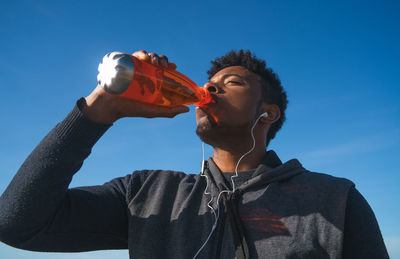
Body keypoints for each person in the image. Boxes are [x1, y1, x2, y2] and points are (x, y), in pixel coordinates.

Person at [0, 50, 389, 259]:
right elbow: (17, 224)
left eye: (231, 83)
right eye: (209, 84)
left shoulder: (335, 200)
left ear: (267, 113)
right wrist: (100, 109)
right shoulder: (147, 193)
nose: (210, 90)